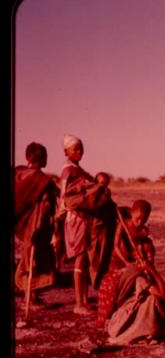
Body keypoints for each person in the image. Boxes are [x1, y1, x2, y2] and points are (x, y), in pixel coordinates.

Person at [15, 142, 60, 306]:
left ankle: (31, 294)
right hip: (35, 223)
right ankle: (30, 297)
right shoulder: (42, 180)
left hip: (23, 221)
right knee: (32, 257)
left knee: (30, 255)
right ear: (43, 159)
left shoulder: (20, 174)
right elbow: (51, 198)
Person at [96, 199, 151, 328]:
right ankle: (111, 316)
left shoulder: (143, 230)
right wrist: (125, 262)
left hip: (132, 261)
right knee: (114, 287)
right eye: (138, 219)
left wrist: (140, 255)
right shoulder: (123, 225)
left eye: (144, 220)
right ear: (132, 214)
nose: (140, 222)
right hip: (117, 261)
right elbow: (116, 245)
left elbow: (140, 246)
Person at [105, 236, 165, 346]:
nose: (149, 255)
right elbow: (163, 295)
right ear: (136, 255)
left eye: (151, 251)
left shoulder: (145, 271)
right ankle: (143, 331)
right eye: (145, 253)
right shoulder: (139, 275)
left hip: (136, 308)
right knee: (152, 299)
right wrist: (152, 270)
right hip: (131, 314)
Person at [59, 134, 96, 315]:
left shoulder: (77, 169)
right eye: (76, 149)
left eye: (81, 148)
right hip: (75, 217)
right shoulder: (68, 171)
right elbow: (64, 195)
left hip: (82, 216)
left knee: (84, 258)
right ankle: (79, 304)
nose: (80, 152)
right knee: (80, 258)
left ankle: (84, 300)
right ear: (66, 152)